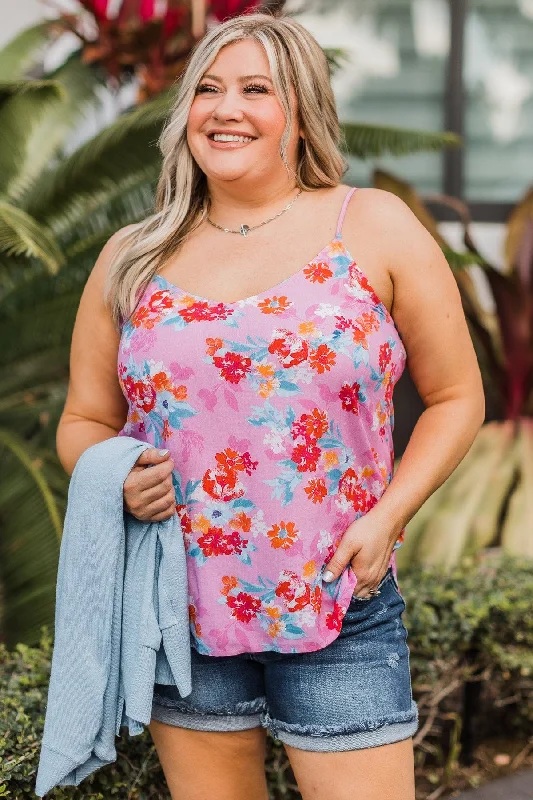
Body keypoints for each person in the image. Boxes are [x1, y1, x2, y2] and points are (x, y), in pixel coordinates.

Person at [56, 11, 485, 800]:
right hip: (179, 608)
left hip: (336, 595)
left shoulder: (374, 226)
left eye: (256, 89)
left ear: (302, 111)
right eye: (208, 89)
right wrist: (112, 473)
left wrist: (388, 516)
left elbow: (457, 397)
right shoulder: (131, 257)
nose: (226, 108)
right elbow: (83, 421)